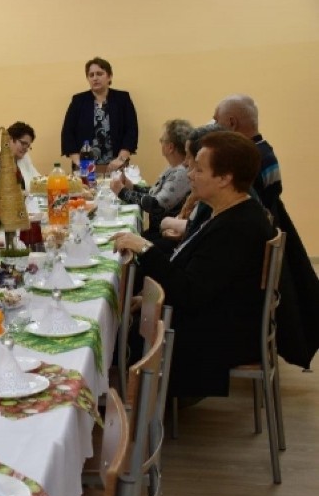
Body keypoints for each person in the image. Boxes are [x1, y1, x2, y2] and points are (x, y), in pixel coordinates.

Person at [113, 131, 274, 398]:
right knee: (120, 314)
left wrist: (145, 248)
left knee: (118, 329)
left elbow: (190, 292)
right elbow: (195, 274)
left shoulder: (237, 228)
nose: (189, 175)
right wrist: (150, 300)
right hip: (212, 314)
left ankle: (125, 401)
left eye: (199, 169)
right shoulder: (226, 212)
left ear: (225, 178)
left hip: (215, 333)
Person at [214, 94, 319, 368]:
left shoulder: (249, 161)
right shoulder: (264, 151)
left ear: (232, 122)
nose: (214, 127)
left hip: (247, 282)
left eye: (217, 121)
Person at [110, 119, 192, 239]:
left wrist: (123, 192)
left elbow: (156, 206)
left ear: (170, 147)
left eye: (162, 140)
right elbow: (155, 192)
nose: (160, 143)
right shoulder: (173, 167)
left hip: (164, 235)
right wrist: (132, 187)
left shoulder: (181, 173)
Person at [61, 56, 139, 172]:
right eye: (91, 75)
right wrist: (78, 162)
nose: (95, 78)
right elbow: (68, 132)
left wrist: (121, 159)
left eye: (99, 73)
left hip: (116, 165)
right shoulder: (78, 100)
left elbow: (131, 130)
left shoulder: (122, 99)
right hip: (85, 166)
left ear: (109, 76)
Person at [0, 121, 41, 192]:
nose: (25, 149)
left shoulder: (25, 159)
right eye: (23, 143)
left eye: (28, 146)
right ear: (9, 139)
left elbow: (39, 180)